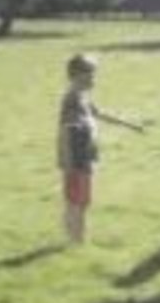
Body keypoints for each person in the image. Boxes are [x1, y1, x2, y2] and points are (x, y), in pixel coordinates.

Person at [57, 53, 144, 244]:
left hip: (86, 157)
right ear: (78, 75)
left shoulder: (83, 97)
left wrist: (130, 124)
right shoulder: (71, 99)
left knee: (83, 201)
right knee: (77, 201)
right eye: (91, 74)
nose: (94, 78)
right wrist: (69, 163)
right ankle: (76, 240)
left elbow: (100, 114)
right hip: (76, 160)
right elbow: (65, 131)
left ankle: (72, 235)